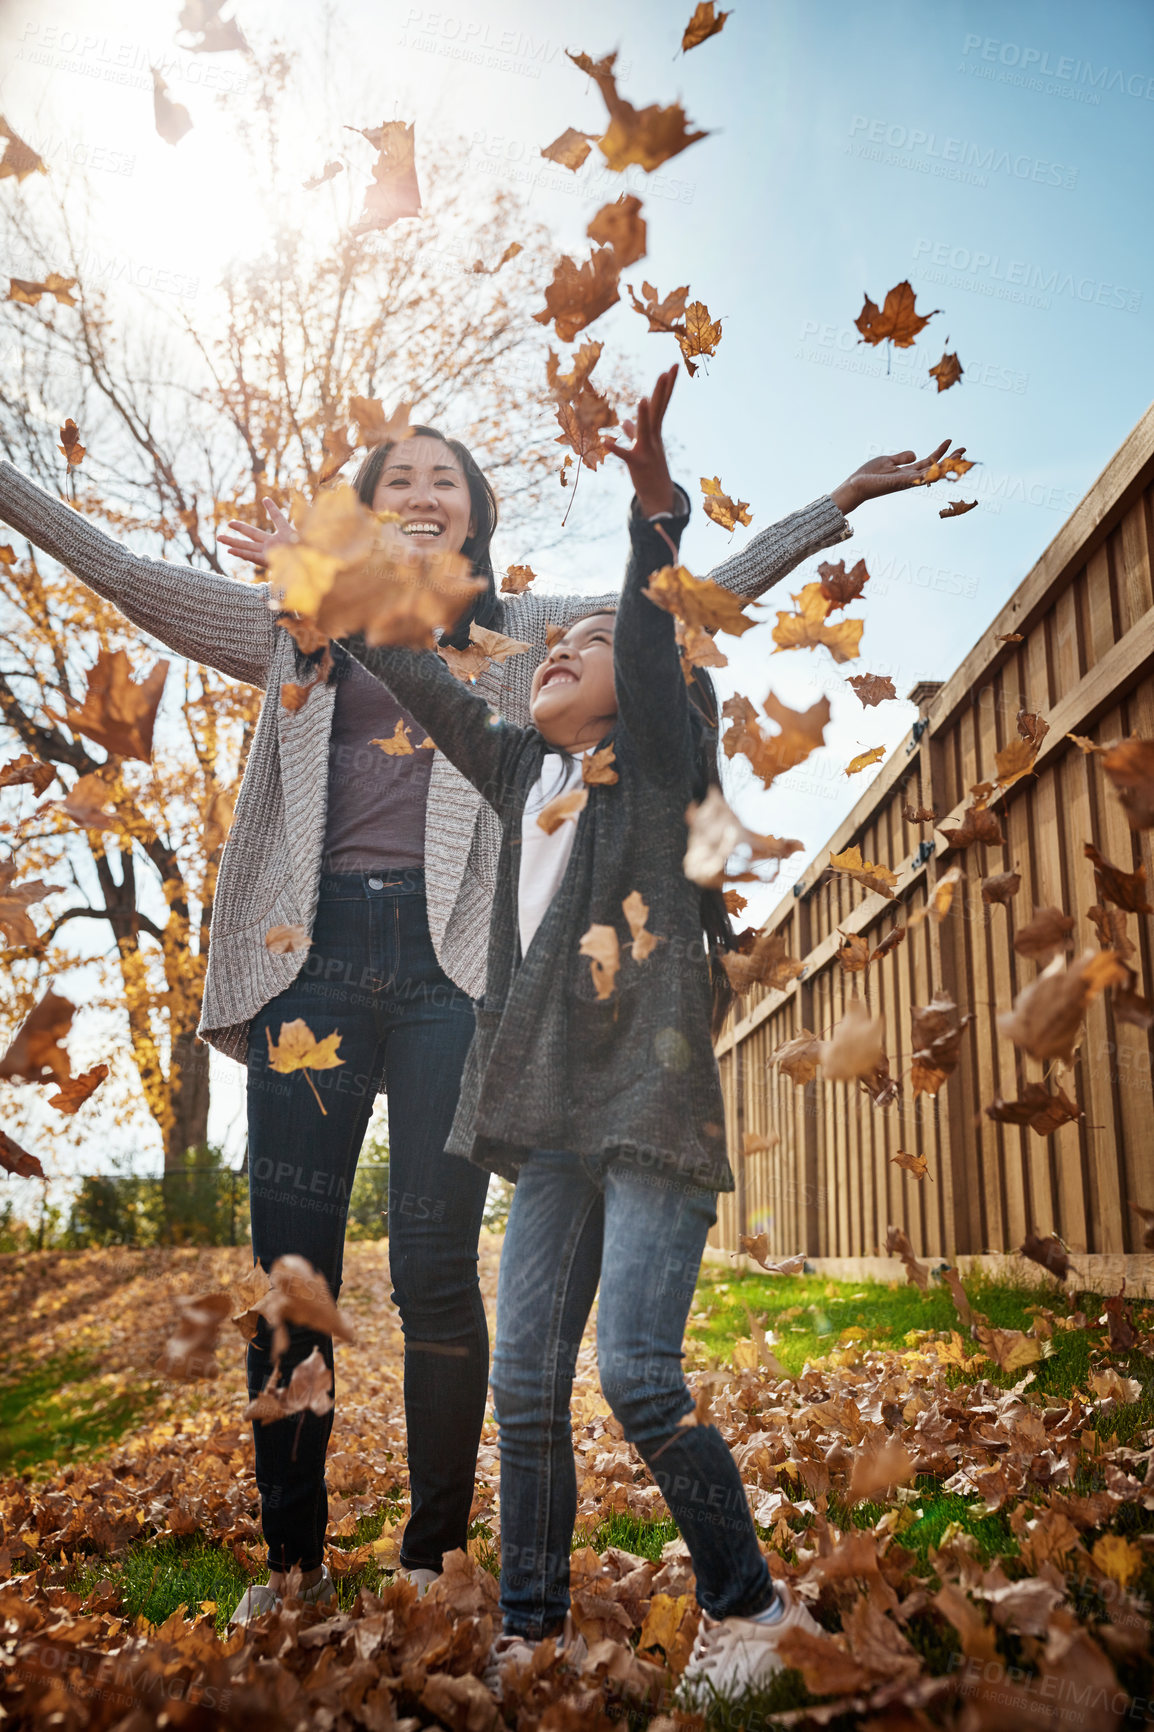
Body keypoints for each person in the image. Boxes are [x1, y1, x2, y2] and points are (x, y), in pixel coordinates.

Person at [0, 409, 958, 1623]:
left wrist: (833, 505)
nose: (418, 489)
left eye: (442, 479)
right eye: (395, 475)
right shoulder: (299, 616)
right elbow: (129, 576)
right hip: (314, 963)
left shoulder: (525, 639)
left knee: (436, 1271)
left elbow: (679, 604)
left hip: (455, 975)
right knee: (292, 1275)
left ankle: (433, 1557)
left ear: (474, 515)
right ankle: (293, 1569)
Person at [335, 365, 825, 1699]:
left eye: (584, 646)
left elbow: (654, 627)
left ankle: (754, 1609)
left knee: (639, 1378)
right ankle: (529, 1630)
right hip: (547, 1128)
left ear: (644, 694)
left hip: (648, 1119)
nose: (555, 650)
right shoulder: (520, 773)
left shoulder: (652, 774)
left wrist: (652, 500)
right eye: (546, 647)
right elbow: (409, 671)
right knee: (528, 1390)